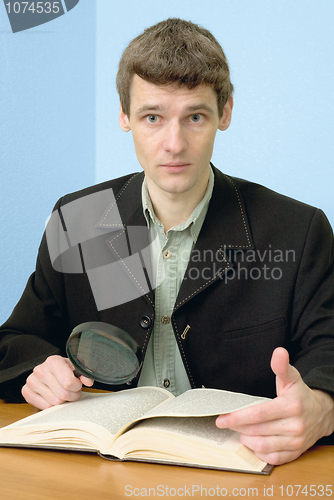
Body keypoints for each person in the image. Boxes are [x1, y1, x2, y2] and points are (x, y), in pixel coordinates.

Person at [0, 18, 333, 466]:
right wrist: (37, 370)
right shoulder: (81, 220)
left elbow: (328, 351)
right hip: (99, 472)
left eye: (195, 117)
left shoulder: (298, 228)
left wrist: (324, 407)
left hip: (244, 474)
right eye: (152, 117)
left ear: (226, 112)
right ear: (124, 116)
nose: (173, 144)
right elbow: (16, 339)